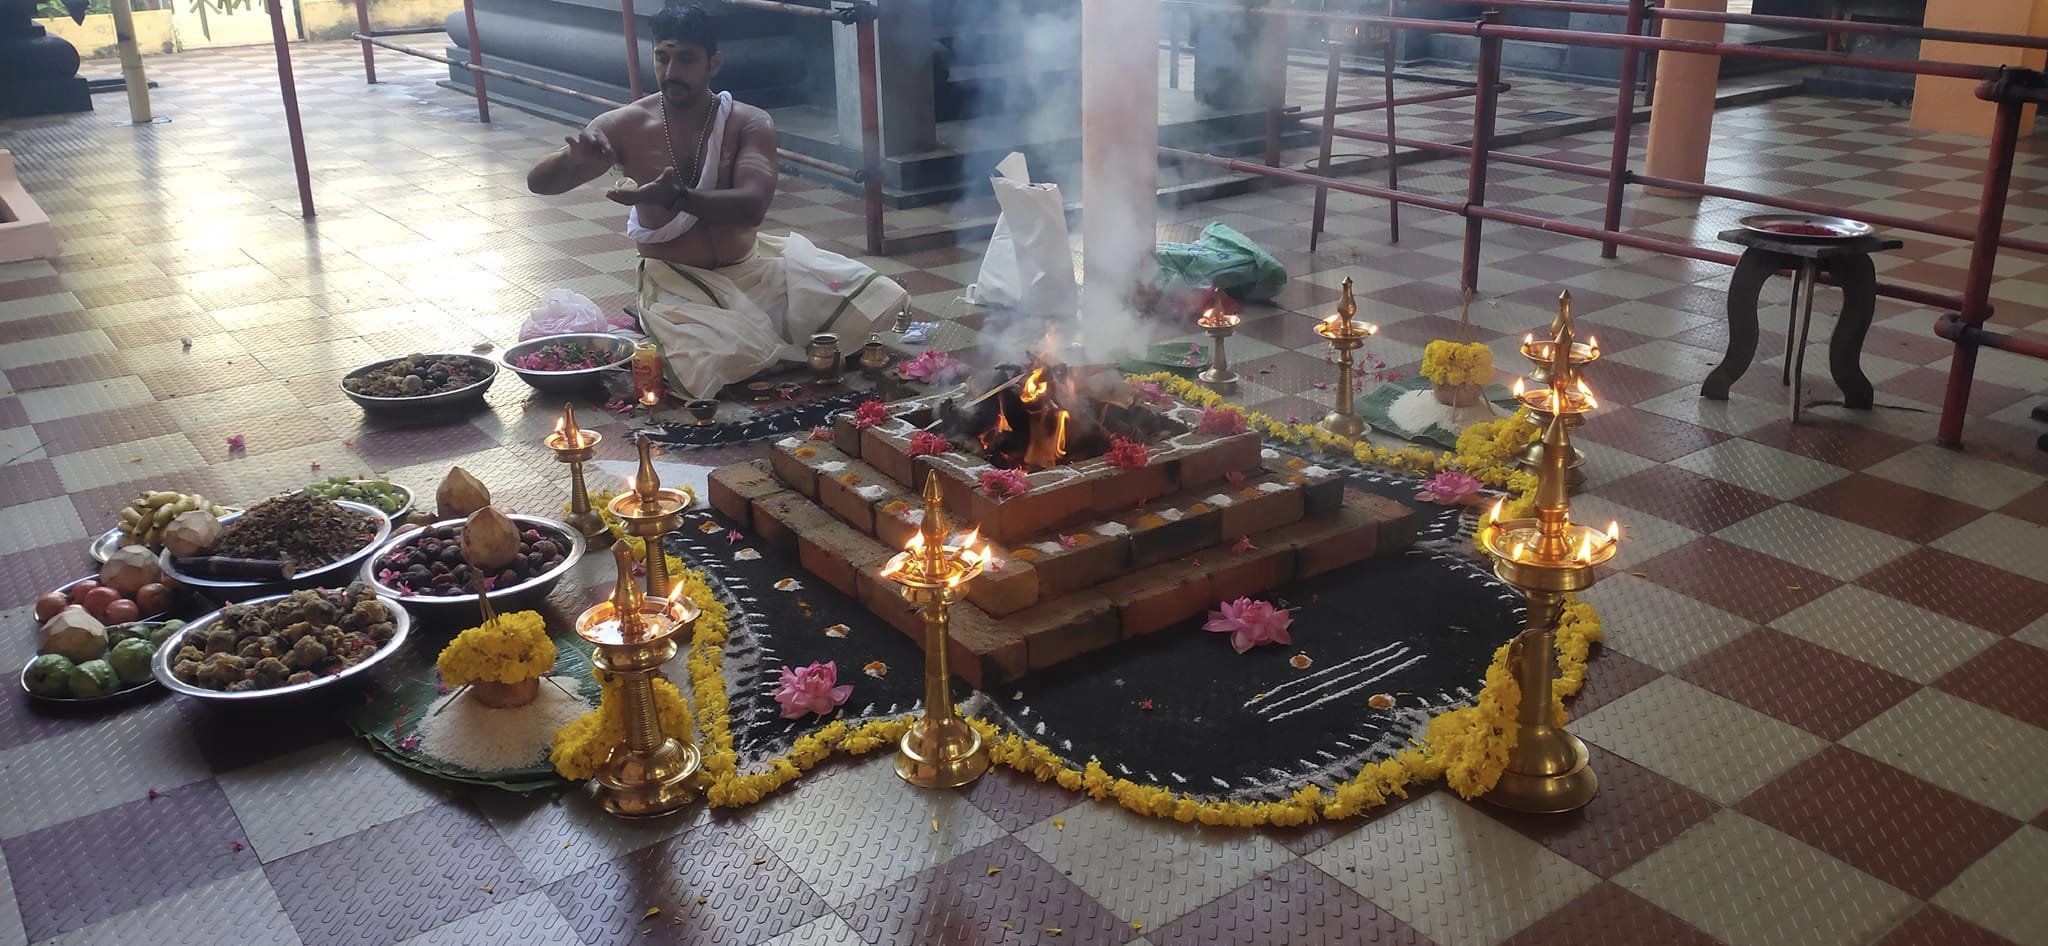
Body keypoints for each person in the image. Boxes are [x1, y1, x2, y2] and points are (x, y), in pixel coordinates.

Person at [525, 3, 906, 398]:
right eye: (662, 57)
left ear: (714, 63)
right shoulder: (623, 125)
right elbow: (542, 184)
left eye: (686, 59)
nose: (671, 72)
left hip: (754, 271)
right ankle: (684, 323)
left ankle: (746, 332)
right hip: (677, 281)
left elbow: (753, 206)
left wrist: (677, 197)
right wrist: (568, 160)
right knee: (710, 360)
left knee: (881, 299)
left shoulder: (748, 121)